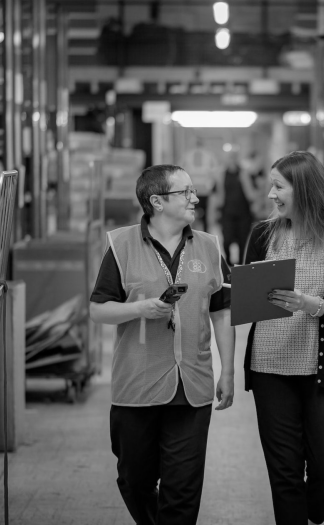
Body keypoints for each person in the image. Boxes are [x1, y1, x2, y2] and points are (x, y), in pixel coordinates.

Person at [89, 164, 235, 525]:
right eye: (185, 192)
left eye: (193, 191)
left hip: (193, 386)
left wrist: (228, 371)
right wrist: (139, 308)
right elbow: (98, 310)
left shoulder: (208, 246)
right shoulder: (121, 245)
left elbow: (222, 311)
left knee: (182, 489)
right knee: (135, 480)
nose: (195, 198)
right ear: (157, 201)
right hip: (136, 386)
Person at [242, 151, 324, 525]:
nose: (271, 195)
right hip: (269, 367)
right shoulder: (262, 234)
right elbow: (249, 301)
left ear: (305, 189)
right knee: (284, 471)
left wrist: (310, 303)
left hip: (321, 372)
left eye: (279, 187)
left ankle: (314, 513)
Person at [213, 154, 257, 265]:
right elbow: (216, 194)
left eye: (234, 157)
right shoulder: (221, 174)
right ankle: (229, 262)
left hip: (244, 213)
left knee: (243, 241)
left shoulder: (245, 173)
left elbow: (253, 192)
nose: (232, 160)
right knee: (227, 240)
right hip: (227, 213)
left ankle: (241, 265)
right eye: (230, 157)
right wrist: (214, 212)